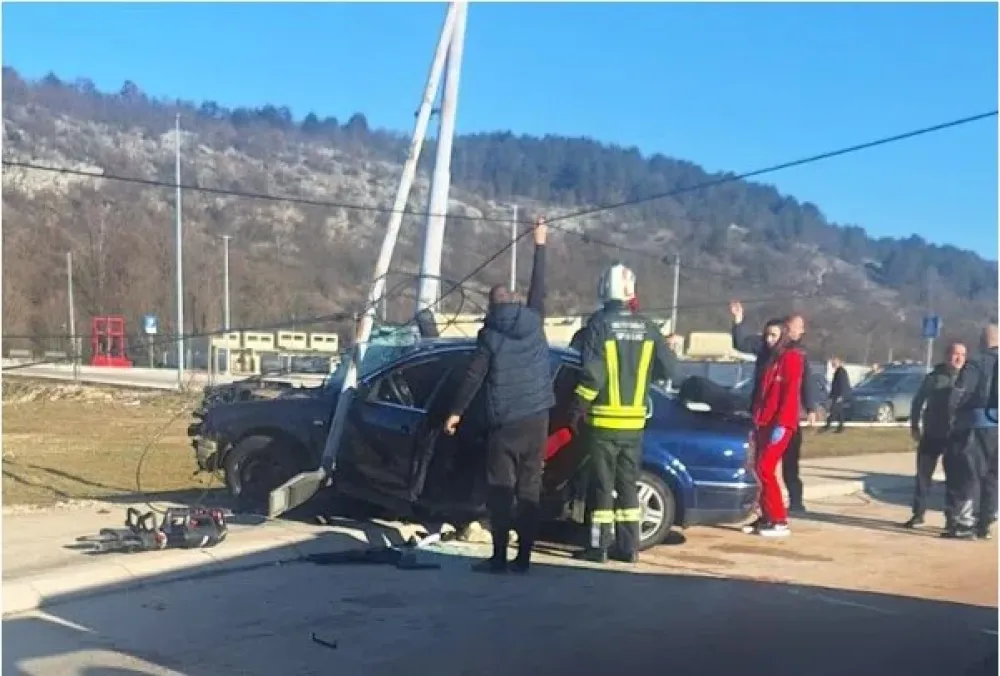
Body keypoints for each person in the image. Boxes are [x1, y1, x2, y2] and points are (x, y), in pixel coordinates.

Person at [443, 217, 554, 573]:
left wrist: (455, 413)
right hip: (537, 420)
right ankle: (524, 558)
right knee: (529, 490)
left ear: (491, 308)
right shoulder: (535, 320)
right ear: (516, 302)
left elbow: (473, 376)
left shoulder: (489, 337)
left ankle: (499, 557)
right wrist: (540, 243)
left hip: (503, 424)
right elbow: (541, 286)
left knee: (500, 491)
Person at [569, 263, 677, 564]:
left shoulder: (599, 326)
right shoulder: (650, 328)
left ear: (604, 290)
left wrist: (577, 408)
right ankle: (629, 548)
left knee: (602, 487)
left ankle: (597, 547)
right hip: (635, 425)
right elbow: (671, 369)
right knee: (627, 486)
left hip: (603, 423)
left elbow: (592, 375)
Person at [730, 302, 819, 513]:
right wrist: (738, 321)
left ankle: (791, 504)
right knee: (762, 466)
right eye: (790, 326)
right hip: (763, 414)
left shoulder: (797, 356)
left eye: (797, 328)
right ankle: (765, 511)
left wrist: (811, 407)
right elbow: (741, 343)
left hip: (785, 417)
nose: (793, 331)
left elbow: (801, 385)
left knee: (786, 462)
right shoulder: (766, 349)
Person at [749, 323, 806, 537]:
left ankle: (779, 519)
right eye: (767, 335)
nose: (769, 339)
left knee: (765, 468)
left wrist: (782, 424)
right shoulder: (769, 359)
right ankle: (766, 516)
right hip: (763, 421)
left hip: (781, 423)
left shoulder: (791, 358)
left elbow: (790, 393)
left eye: (773, 335)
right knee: (757, 468)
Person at [942, 323, 998, 540]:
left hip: (976, 423)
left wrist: (952, 415)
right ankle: (985, 523)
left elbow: (960, 393)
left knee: (970, 473)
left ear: (982, 340)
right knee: (993, 476)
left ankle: (965, 523)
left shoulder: (977, 362)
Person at [903, 341, 966, 529]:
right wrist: (915, 425)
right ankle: (918, 514)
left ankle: (952, 518)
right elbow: (918, 401)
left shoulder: (968, 378)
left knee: (954, 479)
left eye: (962, 355)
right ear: (947, 356)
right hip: (932, 432)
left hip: (955, 435)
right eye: (955, 354)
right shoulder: (934, 377)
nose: (958, 358)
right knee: (923, 476)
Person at [822, 357, 851, 433]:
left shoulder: (841, 372)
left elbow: (842, 384)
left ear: (838, 363)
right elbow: (835, 385)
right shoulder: (838, 371)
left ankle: (828, 426)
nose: (833, 365)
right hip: (837, 395)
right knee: (839, 411)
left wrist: (841, 396)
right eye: (832, 363)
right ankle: (840, 427)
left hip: (839, 395)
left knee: (834, 410)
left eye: (834, 363)